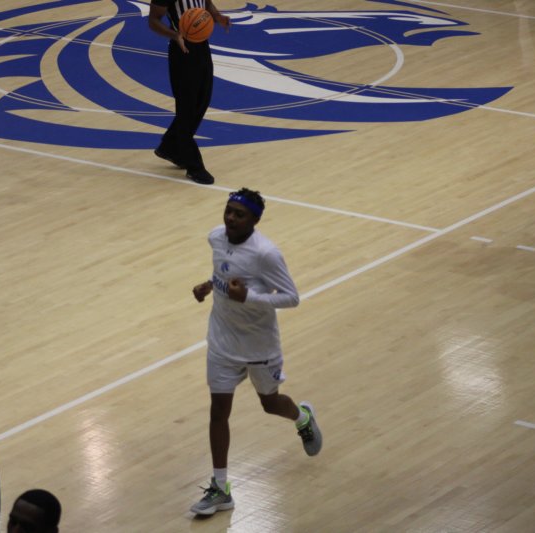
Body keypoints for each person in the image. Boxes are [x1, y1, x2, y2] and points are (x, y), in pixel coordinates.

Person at [189, 188, 322, 516]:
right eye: (228, 210)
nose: (231, 218)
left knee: (270, 404)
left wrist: (249, 297)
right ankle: (221, 489)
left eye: (240, 214)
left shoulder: (266, 254)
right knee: (218, 412)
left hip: (259, 345)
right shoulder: (215, 237)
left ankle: (302, 417)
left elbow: (291, 297)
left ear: (255, 220)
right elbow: (223, 271)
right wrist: (209, 285)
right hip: (222, 341)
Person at [148, 0, 230, 185]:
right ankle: (194, 166)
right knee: (187, 108)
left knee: (202, 99)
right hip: (182, 48)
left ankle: (169, 145)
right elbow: (153, 20)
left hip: (202, 45)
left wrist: (217, 17)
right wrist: (174, 34)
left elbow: (206, 3)